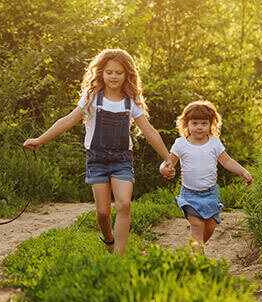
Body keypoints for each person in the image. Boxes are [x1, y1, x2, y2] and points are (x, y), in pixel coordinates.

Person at [23, 48, 170, 255]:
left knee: (124, 204)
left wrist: (168, 159)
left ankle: (118, 257)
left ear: (127, 75)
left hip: (122, 160)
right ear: (101, 72)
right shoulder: (92, 98)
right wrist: (40, 140)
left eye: (119, 72)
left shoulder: (131, 102)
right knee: (102, 212)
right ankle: (108, 238)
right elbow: (67, 120)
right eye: (109, 72)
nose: (114, 76)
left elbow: (150, 132)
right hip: (97, 160)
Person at [160, 100, 253, 252]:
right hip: (189, 195)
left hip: (210, 194)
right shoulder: (180, 144)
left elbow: (227, 161)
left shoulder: (214, 144)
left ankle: (195, 249)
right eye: (195, 123)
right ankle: (197, 259)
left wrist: (243, 172)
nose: (199, 127)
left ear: (211, 125)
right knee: (197, 225)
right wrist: (164, 169)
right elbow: (168, 163)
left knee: (210, 226)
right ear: (186, 124)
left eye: (204, 123)